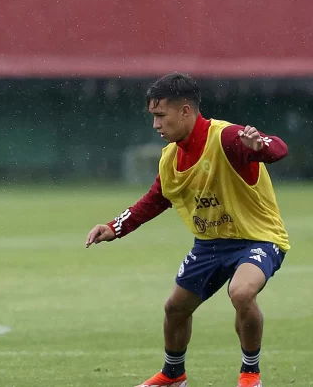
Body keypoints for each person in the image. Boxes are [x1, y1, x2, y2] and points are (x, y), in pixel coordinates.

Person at [85, 73, 289, 387]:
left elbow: (277, 148)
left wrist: (259, 146)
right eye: (153, 117)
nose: (155, 125)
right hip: (210, 244)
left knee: (241, 291)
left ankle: (250, 374)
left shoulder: (226, 138)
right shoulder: (170, 158)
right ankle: (173, 375)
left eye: (160, 115)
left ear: (185, 111)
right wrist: (115, 227)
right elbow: (156, 199)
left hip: (257, 238)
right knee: (175, 309)